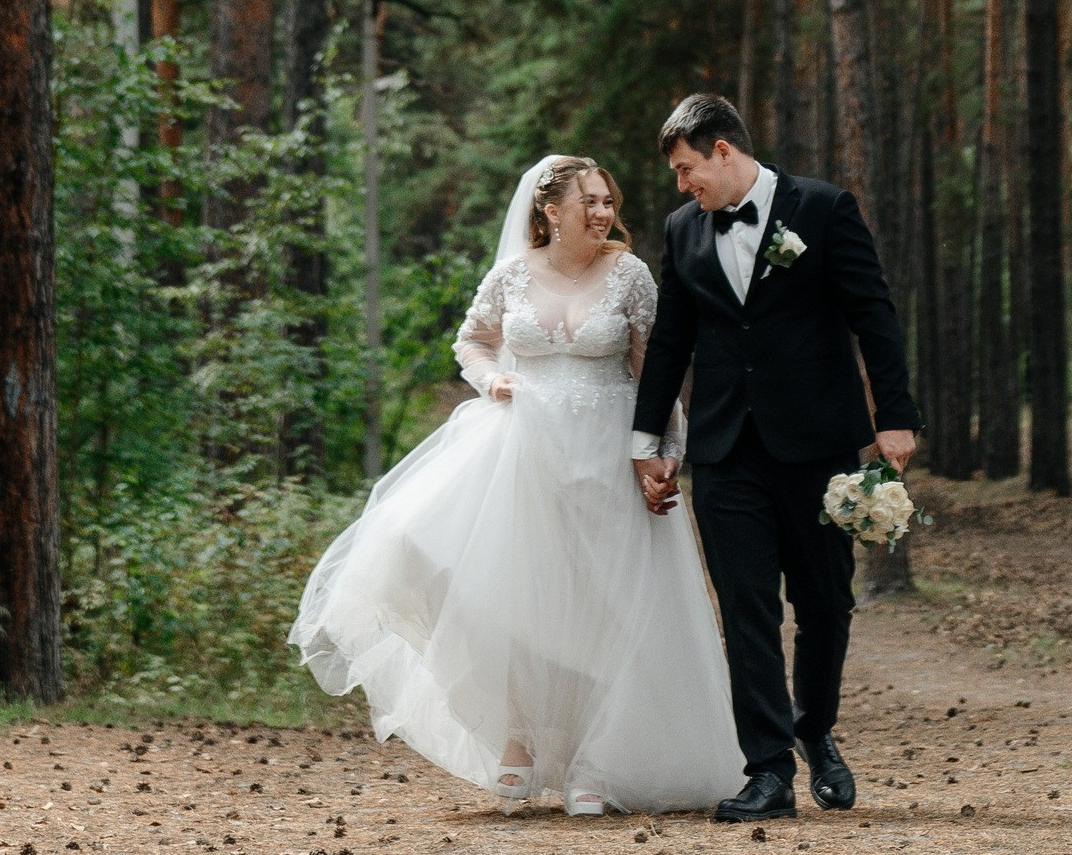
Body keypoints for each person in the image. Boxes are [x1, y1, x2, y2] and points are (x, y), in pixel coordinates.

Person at [289, 152, 744, 817]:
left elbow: (657, 373)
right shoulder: (512, 276)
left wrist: (662, 450)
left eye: (607, 201)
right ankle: (519, 739)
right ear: (548, 211)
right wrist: (491, 379)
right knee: (516, 592)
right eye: (588, 201)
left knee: (604, 600)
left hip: (606, 453)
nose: (602, 213)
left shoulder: (630, 275)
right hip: (520, 453)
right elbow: (471, 343)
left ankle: (597, 759)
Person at [631, 91, 919, 824]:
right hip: (725, 450)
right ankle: (767, 772)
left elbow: (873, 315)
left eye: (687, 167)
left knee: (825, 603)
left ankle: (813, 729)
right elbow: (670, 343)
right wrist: (649, 444)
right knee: (748, 608)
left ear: (723, 150)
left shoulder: (823, 210)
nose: (682, 184)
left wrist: (896, 419)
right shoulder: (682, 230)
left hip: (817, 443)